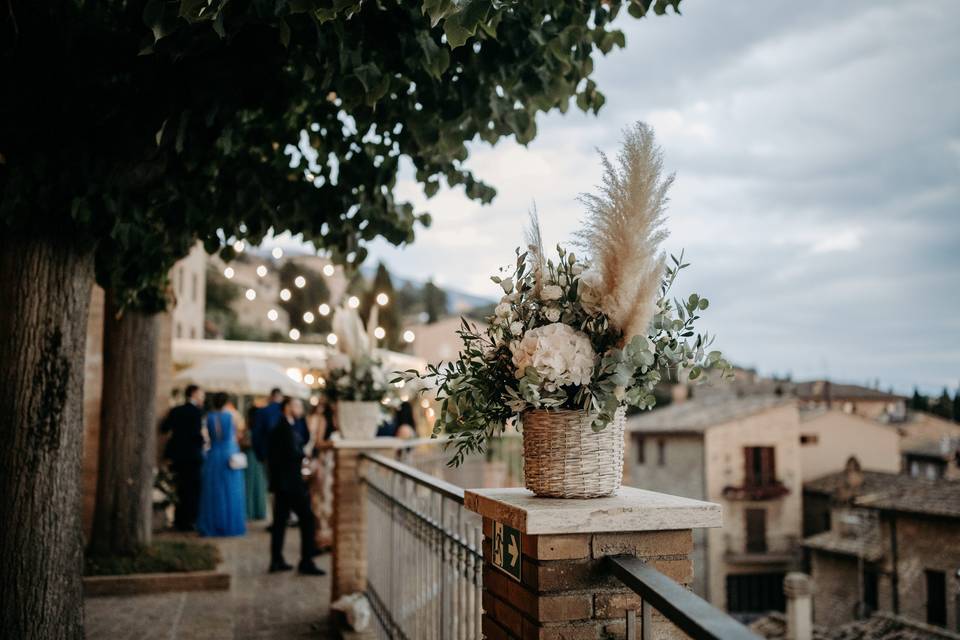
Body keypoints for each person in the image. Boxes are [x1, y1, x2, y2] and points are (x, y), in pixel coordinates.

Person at [267, 396, 324, 575]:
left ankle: (276, 560)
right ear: (287, 407)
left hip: (284, 483)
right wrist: (304, 457)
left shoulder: (289, 426)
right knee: (307, 519)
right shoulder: (283, 428)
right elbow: (291, 453)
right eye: (297, 405)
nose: (301, 408)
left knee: (280, 522)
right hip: (290, 482)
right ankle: (306, 561)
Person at [196, 393, 247, 537]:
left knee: (213, 491)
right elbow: (236, 435)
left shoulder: (209, 417)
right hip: (228, 454)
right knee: (230, 491)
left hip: (213, 455)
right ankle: (229, 524)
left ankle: (212, 524)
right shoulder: (231, 416)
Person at [160, 384, 205, 531]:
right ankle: (189, 521)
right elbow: (197, 436)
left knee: (179, 488)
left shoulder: (176, 410)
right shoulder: (197, 412)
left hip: (177, 456)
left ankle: (179, 520)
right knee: (192, 490)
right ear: (193, 394)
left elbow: (163, 428)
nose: (202, 397)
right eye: (200, 394)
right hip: (192, 456)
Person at [242, 403, 268, 521]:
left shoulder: (250, 428)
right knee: (259, 484)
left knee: (250, 484)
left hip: (250, 456)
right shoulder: (261, 427)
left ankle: (250, 511)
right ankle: (259, 510)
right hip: (259, 457)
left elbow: (246, 443)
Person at [251, 387, 284, 462]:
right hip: (283, 454)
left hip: (266, 452)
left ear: (271, 397)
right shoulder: (285, 412)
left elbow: (256, 434)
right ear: (281, 397)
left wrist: (259, 454)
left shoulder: (261, 412)